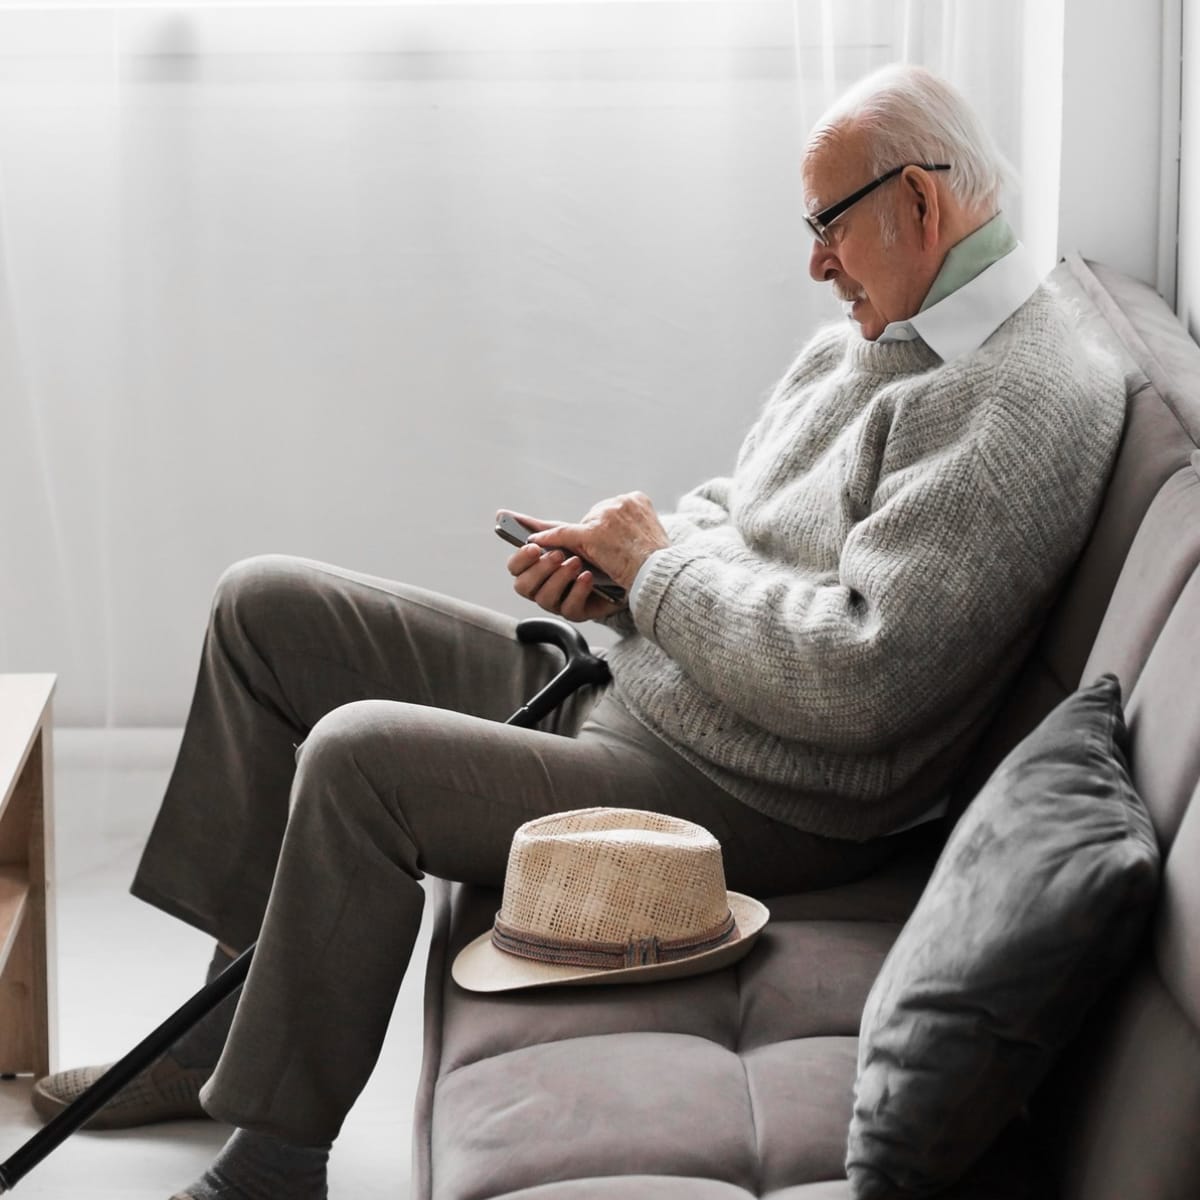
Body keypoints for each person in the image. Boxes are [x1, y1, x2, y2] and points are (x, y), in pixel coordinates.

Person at [34, 63, 1126, 1200]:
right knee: (266, 607)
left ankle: (271, 1164)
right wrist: (618, 582)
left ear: (921, 202)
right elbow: (738, 515)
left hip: (764, 795)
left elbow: (860, 681)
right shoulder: (889, 321)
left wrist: (654, 576)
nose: (814, 261)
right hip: (655, 686)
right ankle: (220, 1027)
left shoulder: (1016, 400)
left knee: (362, 760)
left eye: (828, 225)